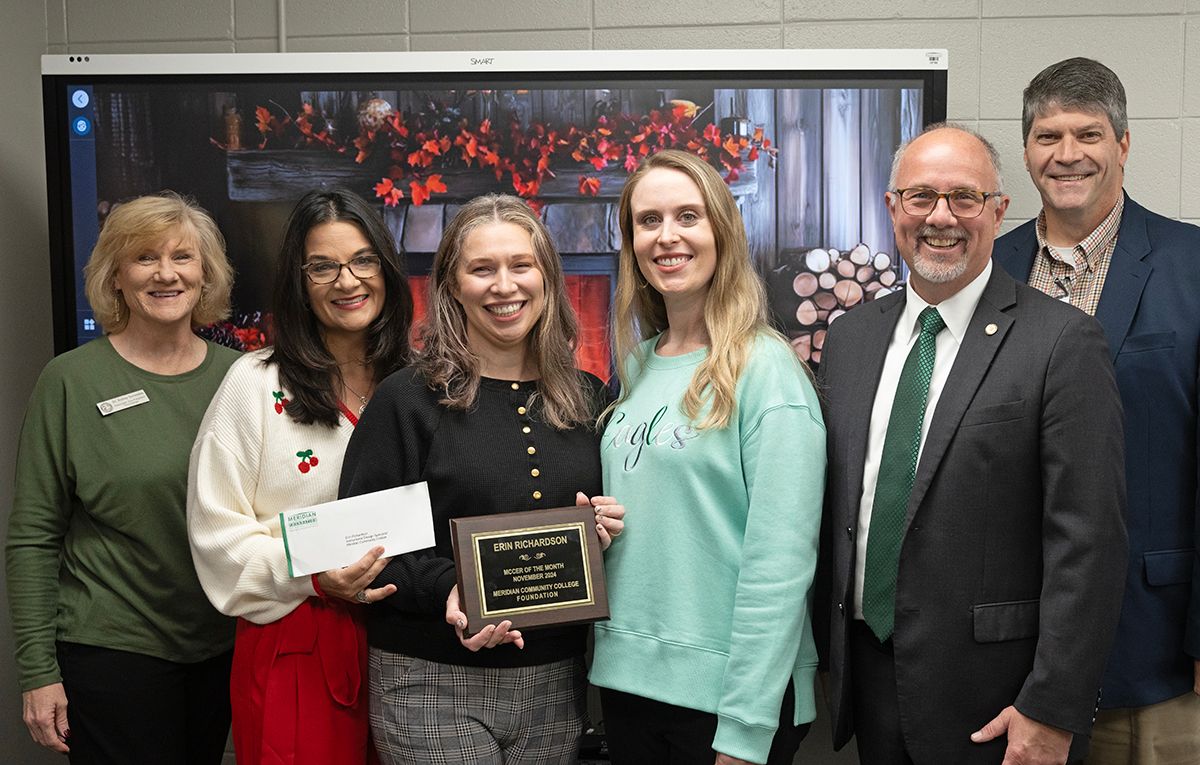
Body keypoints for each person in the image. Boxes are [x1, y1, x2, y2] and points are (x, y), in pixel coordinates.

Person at [818, 123, 1128, 765]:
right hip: (867, 677)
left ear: (998, 210)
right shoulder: (850, 340)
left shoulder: (1062, 343)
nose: (941, 217)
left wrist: (1052, 706)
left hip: (999, 701)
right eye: (921, 197)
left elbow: (1089, 543)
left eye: (965, 198)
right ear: (891, 206)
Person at [338, 193, 624, 765]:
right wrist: (447, 586)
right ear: (451, 285)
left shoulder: (589, 397)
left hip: (556, 682)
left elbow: (590, 535)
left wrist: (599, 528)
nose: (505, 285)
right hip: (429, 680)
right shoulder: (407, 400)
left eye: (521, 265)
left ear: (546, 277)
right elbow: (358, 544)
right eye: (482, 269)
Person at [993, 57, 1200, 765]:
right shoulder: (988, 270)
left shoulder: (1192, 264)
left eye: (1089, 133)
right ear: (1026, 150)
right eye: (1049, 136)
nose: (1068, 154)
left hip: (1156, 651)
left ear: (1124, 144)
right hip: (1009, 662)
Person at [590, 148, 824, 765]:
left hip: (725, 703)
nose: (667, 237)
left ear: (722, 231)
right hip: (628, 684)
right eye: (648, 221)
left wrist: (746, 729)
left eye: (688, 216)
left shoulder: (767, 369)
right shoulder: (638, 367)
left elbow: (780, 563)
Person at [6, 192, 240, 762]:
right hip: (113, 647)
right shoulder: (70, 381)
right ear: (115, 275)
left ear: (205, 274)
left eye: (183, 257)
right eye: (144, 258)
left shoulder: (245, 378)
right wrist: (38, 671)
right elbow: (33, 535)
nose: (166, 273)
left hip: (224, 647)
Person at [187, 188, 413, 764]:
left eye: (364, 260)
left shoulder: (420, 383)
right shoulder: (254, 384)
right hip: (298, 637)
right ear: (297, 279)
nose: (348, 281)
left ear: (386, 269)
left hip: (412, 637)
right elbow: (217, 536)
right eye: (323, 266)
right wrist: (310, 575)